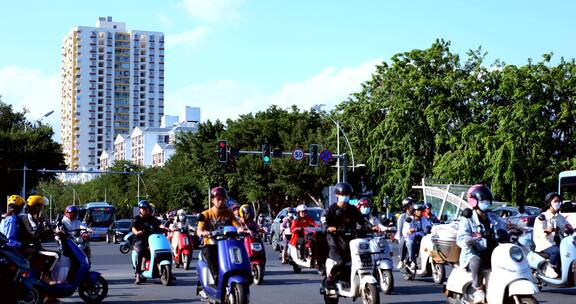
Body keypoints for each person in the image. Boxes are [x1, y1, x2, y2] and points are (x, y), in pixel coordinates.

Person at [324, 182, 374, 288]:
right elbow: (324, 222)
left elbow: (362, 221)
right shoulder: (330, 210)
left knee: (362, 260)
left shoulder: (353, 209)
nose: (345, 196)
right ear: (337, 195)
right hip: (335, 241)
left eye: (347, 194)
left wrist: (371, 226)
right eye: (343, 194)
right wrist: (328, 228)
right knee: (341, 262)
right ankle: (330, 276)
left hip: (351, 240)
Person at [456, 184, 499, 304]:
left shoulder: (492, 217)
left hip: (492, 251)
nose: (486, 202)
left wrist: (512, 229)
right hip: (473, 253)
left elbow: (503, 226)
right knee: (477, 261)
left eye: (487, 199)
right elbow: (461, 239)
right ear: (474, 201)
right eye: (483, 199)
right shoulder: (467, 219)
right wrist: (473, 238)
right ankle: (479, 289)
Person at [197, 187, 241, 286]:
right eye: (218, 199)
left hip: (227, 243)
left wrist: (241, 229)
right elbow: (199, 230)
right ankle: (216, 277)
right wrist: (203, 233)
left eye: (223, 199)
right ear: (212, 200)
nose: (221, 201)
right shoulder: (205, 214)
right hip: (211, 243)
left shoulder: (229, 213)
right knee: (208, 252)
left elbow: (236, 225)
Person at [533, 192, 573, 278]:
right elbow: (539, 232)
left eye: (559, 201)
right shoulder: (542, 217)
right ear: (549, 203)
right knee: (556, 251)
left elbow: (567, 226)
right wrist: (547, 231)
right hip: (544, 242)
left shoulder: (560, 217)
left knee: (568, 251)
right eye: (555, 201)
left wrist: (569, 228)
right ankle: (549, 269)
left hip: (557, 242)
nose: (558, 203)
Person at [131, 200, 169, 284]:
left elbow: (159, 225)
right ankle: (138, 274)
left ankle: (167, 272)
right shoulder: (137, 219)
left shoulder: (152, 218)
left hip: (151, 240)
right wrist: (137, 232)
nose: (146, 210)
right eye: (144, 208)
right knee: (140, 252)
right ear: (140, 209)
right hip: (139, 240)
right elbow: (133, 228)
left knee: (162, 251)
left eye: (147, 208)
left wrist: (166, 228)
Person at [405, 203, 431, 269]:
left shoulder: (423, 219)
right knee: (410, 243)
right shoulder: (410, 219)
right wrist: (410, 230)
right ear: (414, 211)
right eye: (418, 210)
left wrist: (430, 228)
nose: (419, 212)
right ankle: (412, 261)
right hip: (412, 239)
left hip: (422, 239)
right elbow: (406, 230)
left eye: (420, 210)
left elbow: (428, 226)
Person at [395, 197, 414, 269]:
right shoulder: (402, 217)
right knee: (404, 240)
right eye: (410, 204)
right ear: (406, 207)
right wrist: (401, 241)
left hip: (414, 236)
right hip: (405, 237)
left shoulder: (416, 215)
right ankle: (401, 260)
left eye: (412, 204)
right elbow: (400, 231)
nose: (412, 206)